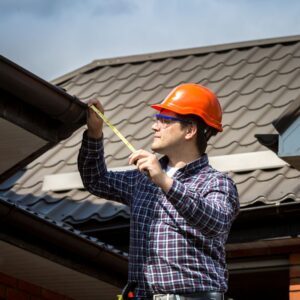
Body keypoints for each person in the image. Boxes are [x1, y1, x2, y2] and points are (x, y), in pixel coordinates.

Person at [78, 83, 240, 300]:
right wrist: (95, 133)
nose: (155, 127)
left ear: (190, 130)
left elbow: (216, 223)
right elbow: (95, 180)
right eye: (157, 119)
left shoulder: (216, 183)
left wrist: (164, 181)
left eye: (165, 120)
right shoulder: (142, 179)